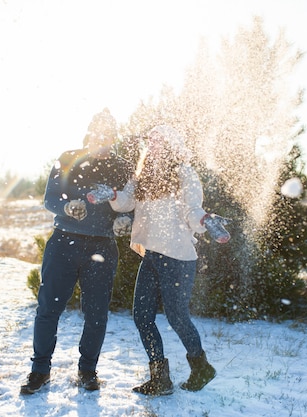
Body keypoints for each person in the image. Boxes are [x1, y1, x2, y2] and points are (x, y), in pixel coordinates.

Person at [87, 124, 230, 396]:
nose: (153, 145)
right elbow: (128, 200)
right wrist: (113, 194)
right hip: (151, 254)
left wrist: (205, 220)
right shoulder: (142, 175)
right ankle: (160, 378)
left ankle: (201, 366)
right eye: (150, 140)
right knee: (142, 316)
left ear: (172, 145)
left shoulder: (183, 173)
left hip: (177, 256)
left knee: (177, 317)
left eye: (159, 140)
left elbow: (192, 209)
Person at [20, 108, 132, 395]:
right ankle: (40, 370)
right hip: (63, 244)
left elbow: (131, 204)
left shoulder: (123, 166)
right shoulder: (68, 158)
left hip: (102, 247)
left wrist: (124, 221)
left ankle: (87, 371)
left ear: (114, 137)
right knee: (48, 310)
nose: (102, 138)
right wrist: (67, 207)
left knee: (96, 315)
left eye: (108, 134)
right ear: (89, 133)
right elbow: (50, 198)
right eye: (98, 133)